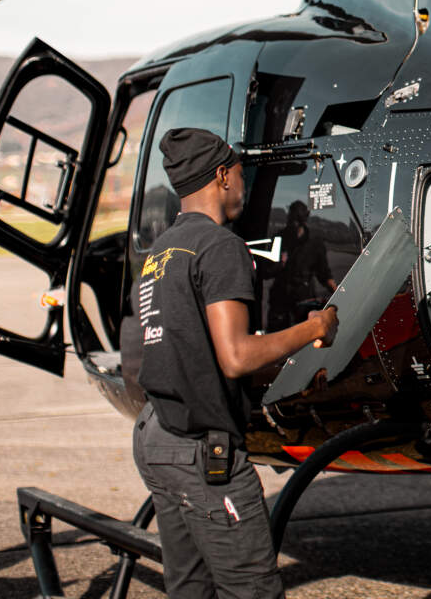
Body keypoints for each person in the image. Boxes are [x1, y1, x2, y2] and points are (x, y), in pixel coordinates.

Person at [131, 127, 338, 599]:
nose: (244, 185)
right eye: (242, 174)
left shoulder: (161, 251)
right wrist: (314, 329)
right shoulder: (221, 246)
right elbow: (236, 356)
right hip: (202, 452)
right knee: (252, 589)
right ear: (223, 176)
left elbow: (193, 352)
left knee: (190, 586)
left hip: (158, 435)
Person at [264, 200, 338, 331]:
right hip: (280, 300)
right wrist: (279, 265)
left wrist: (338, 293)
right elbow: (266, 272)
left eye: (297, 219)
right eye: (291, 218)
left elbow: (324, 274)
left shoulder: (315, 243)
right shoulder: (279, 239)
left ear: (303, 220)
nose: (293, 223)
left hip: (304, 302)